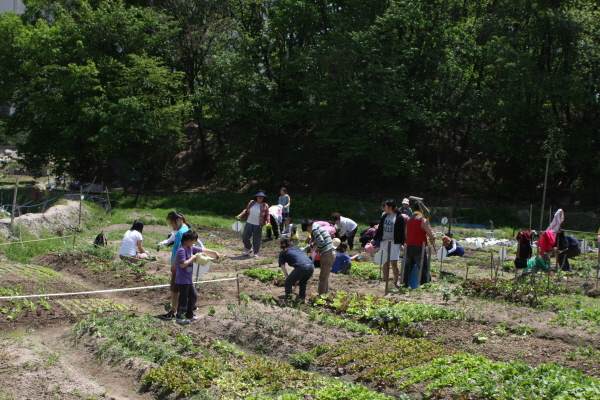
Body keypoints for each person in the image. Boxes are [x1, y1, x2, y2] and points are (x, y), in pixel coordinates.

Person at [158, 211, 190, 321]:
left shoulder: (181, 232)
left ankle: (174, 311)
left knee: (175, 289)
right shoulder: (187, 230)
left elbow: (179, 250)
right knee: (184, 288)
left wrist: (174, 264)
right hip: (185, 264)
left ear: (178, 220)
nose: (172, 226)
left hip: (179, 265)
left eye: (172, 224)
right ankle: (188, 309)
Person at [373, 200, 406, 288]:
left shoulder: (399, 217)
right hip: (384, 241)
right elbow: (380, 229)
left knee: (394, 262)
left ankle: (396, 281)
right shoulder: (384, 216)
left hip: (394, 242)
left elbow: (402, 232)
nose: (384, 208)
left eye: (386, 206)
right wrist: (374, 239)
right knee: (385, 261)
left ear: (390, 207)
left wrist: (402, 244)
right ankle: (385, 280)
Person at [402, 202, 436, 287]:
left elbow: (406, 234)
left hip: (409, 246)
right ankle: (425, 285)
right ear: (421, 210)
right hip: (419, 247)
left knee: (407, 268)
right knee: (423, 267)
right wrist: (433, 237)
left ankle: (405, 285)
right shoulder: (422, 220)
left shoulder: (409, 220)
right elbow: (431, 234)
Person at [302, 219, 335, 294]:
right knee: (325, 277)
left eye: (307, 231)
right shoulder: (317, 227)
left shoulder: (314, 229)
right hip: (330, 253)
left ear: (308, 227)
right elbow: (317, 242)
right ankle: (325, 295)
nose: (309, 232)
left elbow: (321, 242)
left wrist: (315, 253)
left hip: (327, 254)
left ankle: (321, 297)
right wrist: (306, 248)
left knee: (322, 278)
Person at [278, 238, 315, 304]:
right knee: (303, 282)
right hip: (311, 265)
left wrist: (287, 276)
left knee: (288, 282)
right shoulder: (297, 248)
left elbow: (282, 266)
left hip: (302, 267)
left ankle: (288, 301)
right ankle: (302, 299)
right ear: (291, 243)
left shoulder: (283, 252)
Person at [236, 191, 270, 257]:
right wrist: (240, 215)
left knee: (257, 239)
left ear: (263, 198)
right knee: (245, 236)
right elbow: (246, 210)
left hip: (258, 224)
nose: (259, 198)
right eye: (258, 197)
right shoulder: (252, 202)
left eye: (261, 197)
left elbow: (267, 215)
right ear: (256, 197)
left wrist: (268, 223)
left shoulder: (265, 205)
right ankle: (248, 248)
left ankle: (256, 252)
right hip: (249, 222)